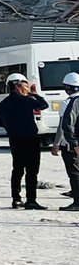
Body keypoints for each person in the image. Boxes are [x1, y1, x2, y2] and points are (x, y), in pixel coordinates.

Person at [0, 73, 48, 210]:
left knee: (17, 170)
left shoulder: (3, 104)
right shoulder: (28, 101)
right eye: (25, 85)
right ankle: (31, 200)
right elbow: (44, 105)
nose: (27, 87)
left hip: (15, 139)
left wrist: (11, 126)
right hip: (30, 139)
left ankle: (16, 200)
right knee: (32, 171)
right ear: (18, 85)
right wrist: (34, 94)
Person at [56, 72, 79, 211]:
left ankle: (77, 202)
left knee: (75, 173)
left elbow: (65, 125)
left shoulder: (69, 102)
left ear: (66, 87)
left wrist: (73, 144)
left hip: (71, 145)